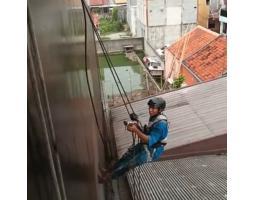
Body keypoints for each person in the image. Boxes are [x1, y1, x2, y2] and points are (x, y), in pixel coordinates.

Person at [98, 97, 169, 183]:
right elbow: (147, 131)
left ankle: (107, 178)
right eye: (149, 108)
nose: (150, 110)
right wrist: (136, 122)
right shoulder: (155, 117)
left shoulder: (161, 124)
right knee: (125, 158)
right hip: (145, 146)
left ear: (160, 110)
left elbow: (149, 140)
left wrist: (135, 130)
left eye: (153, 108)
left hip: (152, 151)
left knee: (128, 165)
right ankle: (107, 171)